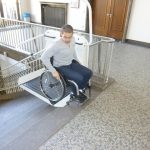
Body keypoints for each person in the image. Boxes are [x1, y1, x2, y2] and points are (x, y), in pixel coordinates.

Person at [41, 24, 92, 102]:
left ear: (72, 35)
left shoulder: (73, 39)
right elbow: (44, 57)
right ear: (61, 34)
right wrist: (53, 71)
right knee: (79, 78)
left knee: (89, 73)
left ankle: (78, 89)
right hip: (60, 66)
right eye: (65, 37)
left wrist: (78, 61)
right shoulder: (56, 44)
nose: (67, 39)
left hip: (70, 63)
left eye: (69, 37)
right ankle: (74, 93)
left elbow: (73, 50)